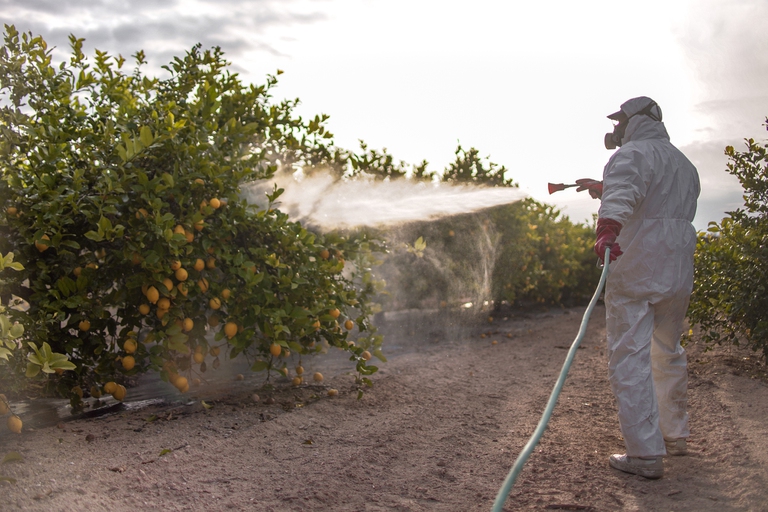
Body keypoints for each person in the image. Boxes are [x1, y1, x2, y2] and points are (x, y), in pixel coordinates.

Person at [577, 96, 700, 479]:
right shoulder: (683, 162)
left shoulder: (630, 155)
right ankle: (673, 436)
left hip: (638, 267)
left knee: (629, 354)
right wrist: (605, 186)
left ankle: (645, 454)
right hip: (677, 269)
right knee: (667, 350)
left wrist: (606, 230)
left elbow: (625, 195)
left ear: (638, 121)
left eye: (620, 122)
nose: (615, 129)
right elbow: (654, 199)